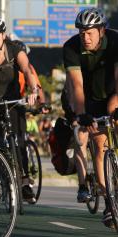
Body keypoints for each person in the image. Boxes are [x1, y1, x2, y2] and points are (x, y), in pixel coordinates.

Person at [63, 7, 118, 228]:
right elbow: (76, 85)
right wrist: (82, 114)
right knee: (94, 140)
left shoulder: (115, 40)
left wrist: (115, 103)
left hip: (111, 92)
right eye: (82, 32)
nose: (85, 37)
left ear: (102, 30)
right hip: (86, 97)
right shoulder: (71, 47)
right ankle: (106, 201)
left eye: (90, 32)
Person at [0, 17, 41, 204]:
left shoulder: (14, 49)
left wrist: (34, 91)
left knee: (18, 140)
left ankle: (24, 183)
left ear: (3, 35)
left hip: (14, 102)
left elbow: (27, 70)